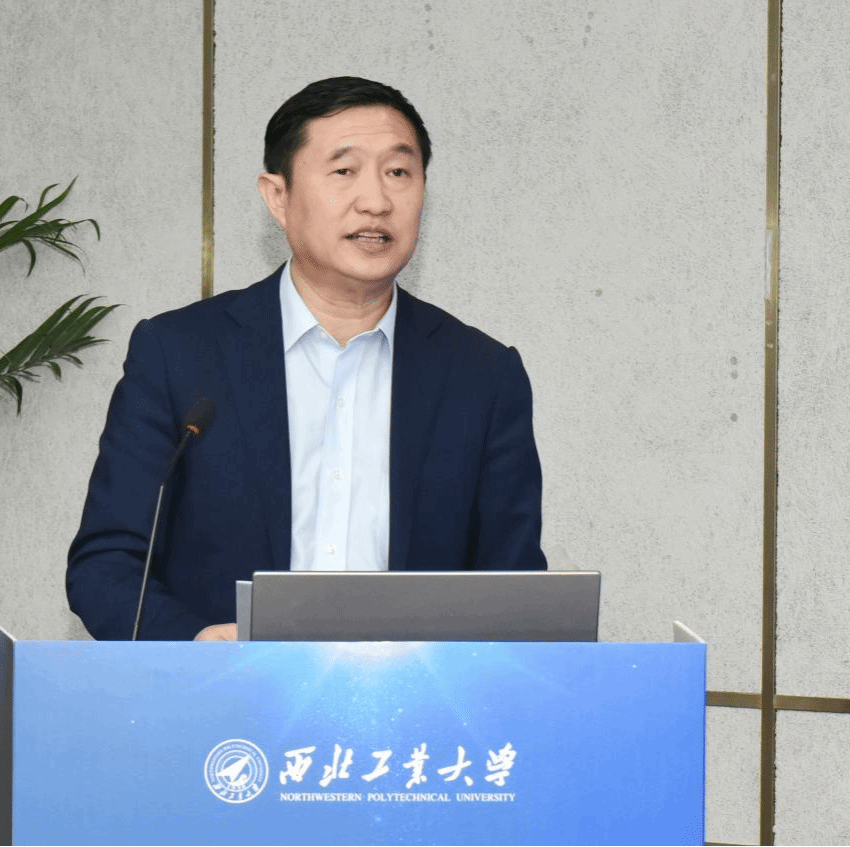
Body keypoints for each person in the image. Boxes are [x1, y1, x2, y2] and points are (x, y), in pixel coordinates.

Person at [67, 76, 547, 641]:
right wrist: (193, 643)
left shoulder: (482, 377)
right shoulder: (179, 354)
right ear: (278, 197)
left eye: (399, 172)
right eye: (344, 171)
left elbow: (515, 591)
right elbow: (107, 564)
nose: (376, 201)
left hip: (410, 694)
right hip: (220, 691)